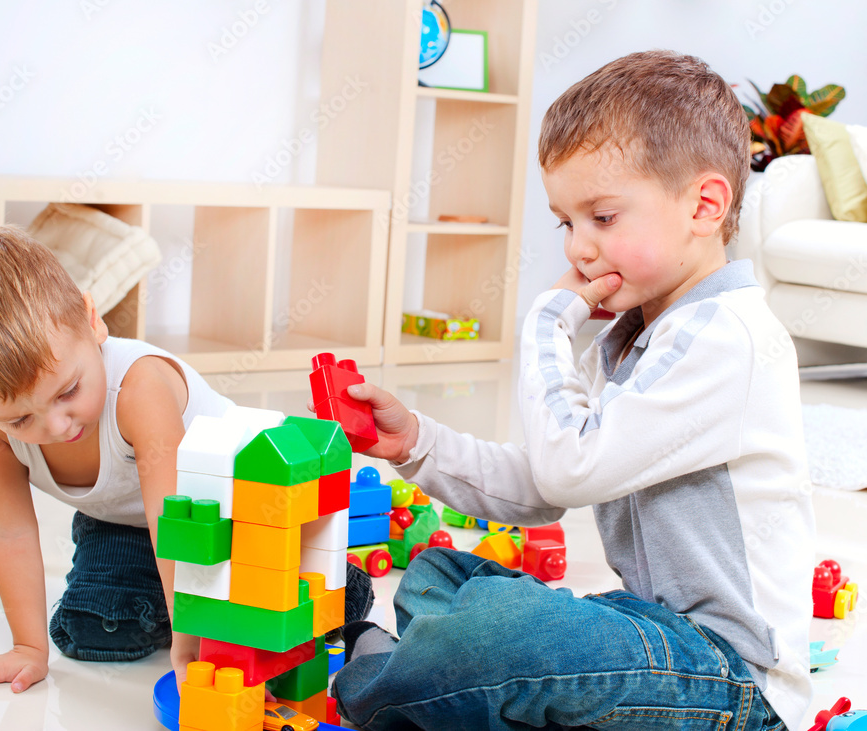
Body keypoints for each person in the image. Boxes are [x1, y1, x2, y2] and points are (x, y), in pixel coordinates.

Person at [330, 51, 814, 731]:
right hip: (654, 634)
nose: (579, 250)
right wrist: (419, 442)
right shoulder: (644, 336)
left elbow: (570, 464)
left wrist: (545, 326)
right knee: (440, 576)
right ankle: (456, 676)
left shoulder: (725, 337)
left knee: (499, 634)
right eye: (567, 222)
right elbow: (548, 485)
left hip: (731, 678)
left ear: (705, 205)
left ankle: (373, 666)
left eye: (604, 218)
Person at [0, 224, 375, 694]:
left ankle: (333, 589)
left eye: (68, 391)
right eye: (20, 420)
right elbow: (9, 529)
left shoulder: (137, 388)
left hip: (236, 517)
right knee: (91, 626)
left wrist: (191, 633)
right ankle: (180, 598)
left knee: (261, 620)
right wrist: (28, 648)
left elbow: (173, 517)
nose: (55, 427)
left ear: (92, 321)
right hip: (124, 523)